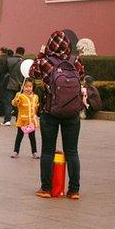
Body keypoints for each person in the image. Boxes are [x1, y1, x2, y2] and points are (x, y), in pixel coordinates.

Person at [29, 31, 85, 200]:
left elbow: (31, 73)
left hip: (50, 111)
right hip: (72, 112)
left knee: (47, 150)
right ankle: (74, 190)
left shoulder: (44, 61)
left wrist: (41, 54)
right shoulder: (76, 61)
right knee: (72, 151)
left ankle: (46, 188)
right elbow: (81, 78)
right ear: (68, 45)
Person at [11, 79, 40, 159]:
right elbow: (14, 103)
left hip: (31, 122)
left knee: (32, 137)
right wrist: (16, 100)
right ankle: (16, 151)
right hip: (22, 121)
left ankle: (34, 152)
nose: (28, 88)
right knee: (19, 136)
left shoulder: (35, 97)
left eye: (30, 86)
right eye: (26, 86)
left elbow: (36, 108)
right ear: (22, 87)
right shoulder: (20, 96)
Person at [0, 48, 23, 125]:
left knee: (8, 103)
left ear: (16, 52)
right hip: (20, 86)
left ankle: (7, 120)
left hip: (9, 85)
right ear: (23, 53)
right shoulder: (24, 62)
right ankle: (18, 119)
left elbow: (3, 71)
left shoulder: (9, 60)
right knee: (18, 103)